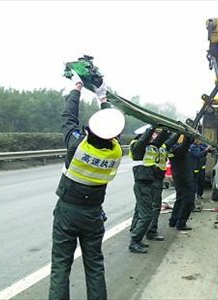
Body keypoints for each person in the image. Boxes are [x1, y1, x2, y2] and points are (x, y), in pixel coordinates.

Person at [49, 77, 125, 300]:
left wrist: (77, 89)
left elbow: (68, 117)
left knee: (61, 266)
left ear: (89, 129)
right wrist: (103, 98)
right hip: (93, 214)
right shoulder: (116, 152)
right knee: (94, 266)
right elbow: (112, 128)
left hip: (67, 212)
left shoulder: (77, 146)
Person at [128, 125, 170, 254]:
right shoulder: (137, 146)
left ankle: (137, 238)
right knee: (146, 215)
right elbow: (144, 141)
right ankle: (134, 241)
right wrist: (151, 128)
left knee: (143, 212)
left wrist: (167, 130)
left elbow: (160, 141)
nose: (153, 137)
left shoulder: (151, 147)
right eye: (152, 134)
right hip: (142, 184)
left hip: (148, 183)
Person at [167, 133, 196, 230]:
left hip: (179, 177)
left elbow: (187, 144)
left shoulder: (171, 148)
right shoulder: (176, 149)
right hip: (184, 178)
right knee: (188, 200)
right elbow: (185, 145)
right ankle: (181, 223)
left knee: (179, 199)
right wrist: (188, 134)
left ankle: (173, 220)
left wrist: (191, 135)